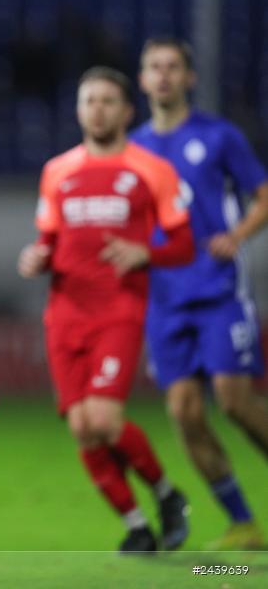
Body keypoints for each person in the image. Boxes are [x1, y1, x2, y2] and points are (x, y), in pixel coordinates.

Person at [17, 66, 194, 553]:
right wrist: (38, 256)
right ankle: (138, 526)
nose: (98, 109)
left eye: (108, 101)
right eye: (89, 100)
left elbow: (183, 243)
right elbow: (50, 239)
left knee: (105, 420)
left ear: (126, 111)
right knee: (83, 429)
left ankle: (166, 494)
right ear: (78, 110)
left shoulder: (150, 169)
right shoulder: (58, 170)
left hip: (119, 308)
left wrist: (146, 253)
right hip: (65, 313)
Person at [132, 37, 268, 550]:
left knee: (235, 402)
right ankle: (244, 524)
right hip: (163, 299)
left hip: (217, 292)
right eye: (154, 68)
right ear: (143, 80)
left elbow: (263, 195)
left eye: (173, 68)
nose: (163, 76)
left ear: (189, 77)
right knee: (185, 413)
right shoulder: (134, 148)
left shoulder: (218, 136)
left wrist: (237, 235)